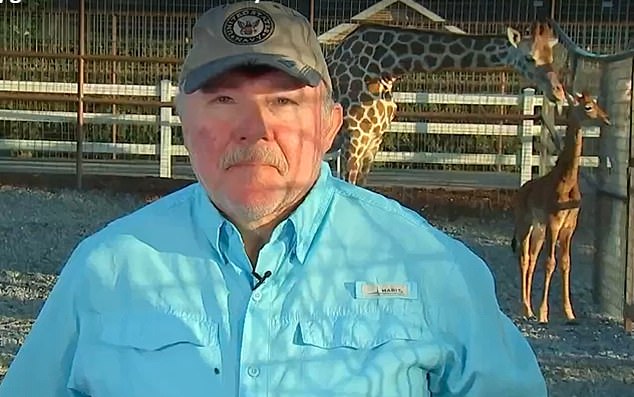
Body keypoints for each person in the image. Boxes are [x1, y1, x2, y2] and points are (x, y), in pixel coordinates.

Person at [0, 1, 548, 396]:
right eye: (221, 99)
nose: (254, 128)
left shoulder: (432, 270)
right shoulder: (104, 270)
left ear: (333, 124)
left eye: (284, 102)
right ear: (183, 124)